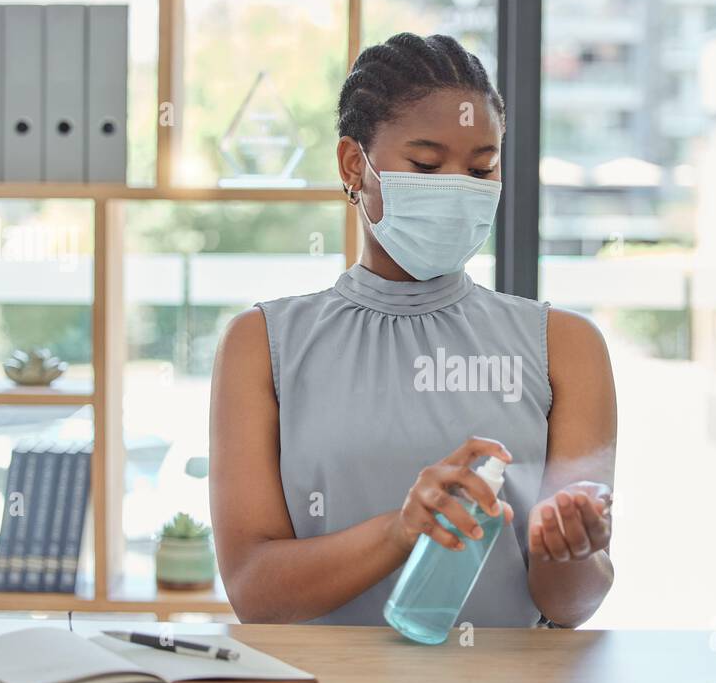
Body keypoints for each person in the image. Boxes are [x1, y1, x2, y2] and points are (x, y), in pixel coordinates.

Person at [209, 33, 616, 628]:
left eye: (482, 168)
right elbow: (254, 591)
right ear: (354, 164)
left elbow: (568, 606)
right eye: (426, 165)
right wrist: (400, 531)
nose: (458, 187)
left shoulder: (566, 347)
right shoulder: (262, 344)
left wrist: (572, 551)